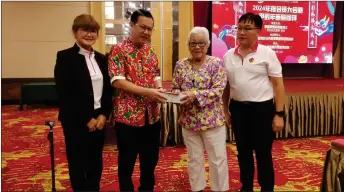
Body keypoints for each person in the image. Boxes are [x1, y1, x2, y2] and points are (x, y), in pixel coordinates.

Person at [222, 13, 285, 192]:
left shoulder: (267, 53)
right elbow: (226, 87)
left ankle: (267, 188)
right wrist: (226, 111)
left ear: (258, 31)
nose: (241, 32)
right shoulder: (228, 55)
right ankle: (246, 187)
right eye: (239, 28)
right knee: (243, 153)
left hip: (262, 110)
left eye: (247, 28)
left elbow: (278, 85)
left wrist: (279, 114)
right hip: (238, 110)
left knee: (263, 153)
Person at [108, 9, 166, 191]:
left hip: (152, 117)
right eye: (143, 27)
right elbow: (117, 81)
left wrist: (158, 87)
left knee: (150, 162)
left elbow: (156, 75)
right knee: (126, 162)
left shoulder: (151, 52)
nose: (147, 32)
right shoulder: (118, 50)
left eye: (150, 29)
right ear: (131, 25)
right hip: (128, 118)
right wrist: (147, 92)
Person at [54, 14, 112, 191]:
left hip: (99, 119)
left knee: (95, 161)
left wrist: (103, 114)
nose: (89, 34)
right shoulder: (65, 57)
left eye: (93, 30)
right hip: (76, 120)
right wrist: (86, 119)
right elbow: (65, 94)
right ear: (75, 32)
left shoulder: (102, 59)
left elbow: (108, 90)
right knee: (78, 162)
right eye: (85, 29)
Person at [171, 26, 229, 192]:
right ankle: (197, 189)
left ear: (208, 44)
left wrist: (194, 95)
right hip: (189, 120)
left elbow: (218, 90)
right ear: (188, 45)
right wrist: (175, 94)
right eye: (193, 43)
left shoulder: (216, 64)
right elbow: (176, 86)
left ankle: (220, 189)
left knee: (217, 160)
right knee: (194, 159)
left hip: (212, 121)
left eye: (201, 43)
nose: (197, 47)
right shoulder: (180, 64)